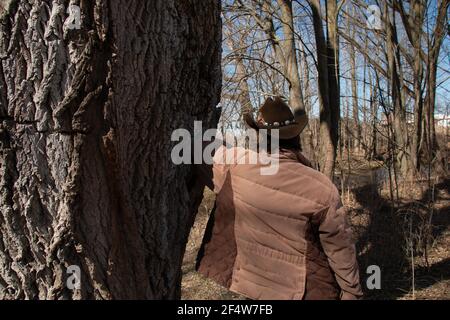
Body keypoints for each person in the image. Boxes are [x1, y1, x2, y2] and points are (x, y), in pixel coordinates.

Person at [195, 96, 363, 300]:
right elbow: (340, 249)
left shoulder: (237, 164)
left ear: (260, 136)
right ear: (296, 137)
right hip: (302, 292)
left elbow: (197, 147)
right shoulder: (321, 186)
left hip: (249, 284)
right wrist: (352, 293)